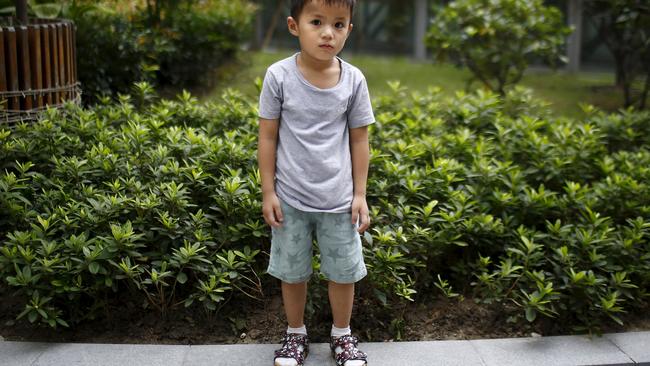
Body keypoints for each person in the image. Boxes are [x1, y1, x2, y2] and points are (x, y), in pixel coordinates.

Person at [257, 0, 374, 365]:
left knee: (342, 272)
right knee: (293, 272)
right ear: (295, 26)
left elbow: (359, 140)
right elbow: (267, 138)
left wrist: (359, 195)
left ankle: (342, 336)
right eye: (317, 22)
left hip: (339, 200)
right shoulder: (278, 76)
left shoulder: (354, 79)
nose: (328, 33)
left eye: (339, 25)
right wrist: (268, 192)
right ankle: (295, 334)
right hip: (290, 198)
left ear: (349, 30)